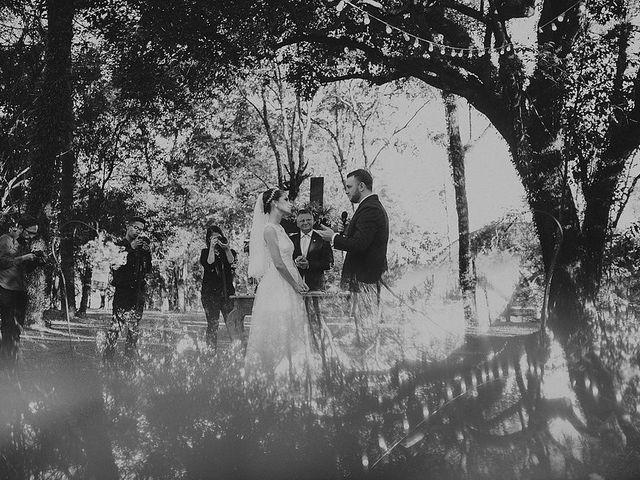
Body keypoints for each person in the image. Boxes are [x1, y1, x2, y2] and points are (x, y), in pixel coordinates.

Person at [245, 188, 315, 382]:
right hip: (277, 284)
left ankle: (292, 373)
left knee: (292, 327)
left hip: (290, 281)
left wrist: (301, 282)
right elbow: (277, 263)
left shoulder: (281, 228)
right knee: (278, 327)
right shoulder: (268, 229)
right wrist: (294, 284)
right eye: (286, 199)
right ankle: (271, 377)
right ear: (275, 203)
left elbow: (289, 261)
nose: (290, 202)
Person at [317, 169, 389, 338]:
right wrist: (346, 231)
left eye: (349, 186)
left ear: (362, 186)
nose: (346, 190)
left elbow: (360, 245)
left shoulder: (370, 209)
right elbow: (363, 239)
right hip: (364, 280)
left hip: (366, 280)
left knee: (366, 328)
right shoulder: (368, 207)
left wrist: (333, 237)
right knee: (362, 327)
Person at [104, 216, 152, 358]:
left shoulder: (141, 248)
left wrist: (148, 253)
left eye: (141, 230)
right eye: (136, 228)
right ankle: (108, 357)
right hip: (123, 290)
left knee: (134, 327)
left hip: (138, 292)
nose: (138, 232)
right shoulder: (118, 246)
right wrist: (130, 248)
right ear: (127, 226)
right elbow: (116, 266)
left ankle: (129, 359)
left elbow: (148, 269)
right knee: (116, 326)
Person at [0, 215, 41, 364]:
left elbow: (24, 269)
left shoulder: (23, 245)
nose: (31, 236)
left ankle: (12, 365)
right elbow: (3, 262)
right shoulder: (6, 239)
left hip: (19, 291)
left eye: (34, 234)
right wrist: (24, 258)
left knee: (16, 330)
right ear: (21, 228)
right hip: (6, 289)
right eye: (29, 232)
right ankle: (6, 368)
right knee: (9, 330)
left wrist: (36, 262)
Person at [290, 209, 333, 341]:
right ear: (297, 223)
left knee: (317, 320)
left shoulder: (322, 239)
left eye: (308, 220)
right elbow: (286, 260)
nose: (305, 223)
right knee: (295, 319)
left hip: (316, 285)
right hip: (295, 286)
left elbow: (329, 263)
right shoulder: (291, 239)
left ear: (313, 221)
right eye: (302, 220)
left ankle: (319, 347)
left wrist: (310, 264)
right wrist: (295, 262)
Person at [200, 225, 239, 350]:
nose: (217, 240)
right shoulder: (205, 252)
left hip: (227, 292)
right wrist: (211, 246)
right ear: (208, 239)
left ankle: (237, 349)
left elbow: (232, 262)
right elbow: (209, 262)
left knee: (231, 322)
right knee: (213, 323)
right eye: (213, 238)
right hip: (210, 294)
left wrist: (226, 249)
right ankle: (211, 351)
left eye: (218, 237)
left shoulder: (229, 251)